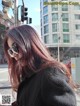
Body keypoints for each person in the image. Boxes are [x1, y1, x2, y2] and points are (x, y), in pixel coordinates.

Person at [4, 25, 76, 106]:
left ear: (31, 42)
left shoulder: (50, 73)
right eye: (11, 51)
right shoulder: (28, 74)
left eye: (15, 47)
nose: (14, 55)